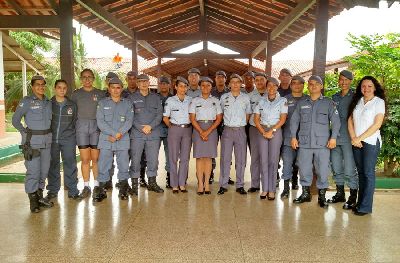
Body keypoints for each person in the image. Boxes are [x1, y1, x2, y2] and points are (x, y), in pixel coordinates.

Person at [290, 75, 340, 208]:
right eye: (311, 84)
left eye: (316, 84)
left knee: (323, 170)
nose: (313, 86)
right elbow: (294, 120)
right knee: (304, 168)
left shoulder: (328, 103)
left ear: (321, 86)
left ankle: (322, 197)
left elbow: (335, 122)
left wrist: (333, 137)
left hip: (322, 144)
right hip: (304, 143)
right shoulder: (302, 103)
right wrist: (293, 137)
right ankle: (306, 194)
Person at [12, 75, 53, 213]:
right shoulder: (27, 101)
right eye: (37, 84)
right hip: (32, 142)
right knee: (33, 171)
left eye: (43, 84)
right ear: (32, 86)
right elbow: (15, 120)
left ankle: (40, 195)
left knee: (44, 170)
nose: (41, 87)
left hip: (47, 141)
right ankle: (33, 200)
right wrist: (24, 133)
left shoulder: (48, 102)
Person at [348, 76, 386, 216]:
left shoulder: (378, 102)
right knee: (361, 173)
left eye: (369, 86)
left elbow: (377, 124)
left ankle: (365, 207)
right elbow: (350, 120)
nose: (366, 89)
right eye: (364, 86)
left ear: (374, 87)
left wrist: (359, 138)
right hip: (356, 142)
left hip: (370, 142)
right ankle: (359, 203)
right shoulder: (357, 101)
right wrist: (354, 138)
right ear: (360, 88)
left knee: (368, 173)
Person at [92, 77, 133, 202]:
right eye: (113, 87)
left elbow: (129, 121)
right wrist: (114, 133)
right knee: (104, 165)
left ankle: (123, 188)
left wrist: (118, 134)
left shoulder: (127, 103)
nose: (115, 90)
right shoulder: (102, 103)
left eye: (118, 87)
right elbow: (100, 121)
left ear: (121, 89)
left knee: (123, 165)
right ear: (109, 89)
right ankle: (101, 190)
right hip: (106, 139)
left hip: (122, 138)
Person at [71, 68, 106, 199]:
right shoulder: (76, 94)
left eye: (89, 77)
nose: (87, 79)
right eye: (84, 77)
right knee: (85, 159)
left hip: (96, 127)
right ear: (81, 79)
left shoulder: (100, 94)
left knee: (96, 159)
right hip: (81, 127)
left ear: (93, 78)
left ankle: (96, 185)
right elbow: (72, 113)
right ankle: (86, 186)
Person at [129, 74, 164, 195]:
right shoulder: (131, 98)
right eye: (141, 81)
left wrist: (150, 126)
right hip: (137, 133)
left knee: (153, 160)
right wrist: (140, 127)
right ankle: (134, 185)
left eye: (146, 81)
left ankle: (152, 183)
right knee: (135, 159)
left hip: (153, 133)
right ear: (137, 84)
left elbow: (159, 115)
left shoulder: (156, 98)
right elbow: (129, 116)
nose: (143, 83)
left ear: (149, 83)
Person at [254, 77, 288, 200]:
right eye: (269, 85)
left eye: (274, 86)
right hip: (262, 130)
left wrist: (271, 131)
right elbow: (256, 119)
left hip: (276, 130)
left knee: (273, 161)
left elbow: (283, 119)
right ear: (266, 87)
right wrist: (263, 131)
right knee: (263, 160)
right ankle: (265, 189)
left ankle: (272, 189)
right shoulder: (261, 101)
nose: (271, 88)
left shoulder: (282, 101)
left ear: (277, 87)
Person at [46, 80, 80, 201]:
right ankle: (53, 190)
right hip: (52, 139)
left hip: (68, 139)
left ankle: (73, 190)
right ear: (55, 88)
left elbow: (75, 121)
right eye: (59, 87)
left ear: (66, 90)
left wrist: (72, 136)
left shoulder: (72, 105)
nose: (62, 90)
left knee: (70, 164)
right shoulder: (49, 103)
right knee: (53, 164)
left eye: (64, 88)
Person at [328, 70, 358, 208]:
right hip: (334, 137)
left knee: (350, 168)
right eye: (341, 79)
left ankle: (352, 197)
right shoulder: (334, 97)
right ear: (338, 80)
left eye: (347, 79)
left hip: (349, 137)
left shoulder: (356, 97)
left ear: (351, 81)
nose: (343, 82)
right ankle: (340, 194)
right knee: (336, 166)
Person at [218, 74, 251, 195]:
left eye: (238, 82)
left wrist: (240, 125)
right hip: (227, 130)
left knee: (241, 159)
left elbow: (248, 115)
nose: (235, 84)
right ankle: (223, 184)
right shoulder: (224, 97)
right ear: (229, 84)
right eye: (233, 82)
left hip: (240, 130)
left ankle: (240, 185)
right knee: (225, 159)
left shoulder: (245, 98)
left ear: (241, 84)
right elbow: (220, 114)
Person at [189, 77, 223, 194]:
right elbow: (192, 118)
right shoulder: (195, 101)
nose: (205, 87)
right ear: (199, 87)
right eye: (203, 85)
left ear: (211, 87)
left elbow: (219, 119)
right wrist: (201, 131)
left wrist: (207, 131)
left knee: (208, 157)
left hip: (212, 128)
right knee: (199, 158)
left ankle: (207, 184)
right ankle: (200, 184)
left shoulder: (216, 101)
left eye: (208, 85)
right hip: (198, 128)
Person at [280, 75, 308, 198]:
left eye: (300, 83)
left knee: (302, 163)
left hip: (305, 138)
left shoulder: (308, 99)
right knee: (287, 162)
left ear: (303, 85)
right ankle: (286, 188)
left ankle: (300, 185)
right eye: (294, 83)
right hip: (287, 137)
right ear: (291, 86)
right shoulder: (285, 100)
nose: (297, 85)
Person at [163, 77, 192, 193]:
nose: (183, 88)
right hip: (174, 129)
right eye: (180, 86)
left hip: (187, 130)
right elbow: (165, 118)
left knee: (185, 158)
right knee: (173, 157)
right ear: (175, 87)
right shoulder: (170, 100)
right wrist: (172, 127)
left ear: (187, 88)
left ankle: (182, 183)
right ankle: (174, 184)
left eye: (185, 86)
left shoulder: (191, 100)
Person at [210, 70, 233, 185]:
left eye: (222, 77)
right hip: (212, 125)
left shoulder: (230, 92)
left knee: (226, 152)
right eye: (218, 77)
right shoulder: (210, 91)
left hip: (226, 125)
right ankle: (210, 174)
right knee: (211, 150)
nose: (220, 79)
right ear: (215, 79)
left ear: (225, 79)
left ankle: (226, 175)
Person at [248, 72, 268, 193]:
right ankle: (255, 184)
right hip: (254, 128)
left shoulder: (273, 94)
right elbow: (248, 113)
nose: (259, 82)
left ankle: (267, 183)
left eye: (262, 79)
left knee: (267, 156)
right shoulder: (249, 96)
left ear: (266, 80)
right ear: (254, 82)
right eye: (257, 80)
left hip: (268, 128)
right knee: (255, 156)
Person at [158, 76, 173, 188]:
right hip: (156, 130)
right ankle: (149, 178)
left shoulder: (173, 98)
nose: (163, 85)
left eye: (166, 83)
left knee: (170, 155)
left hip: (170, 129)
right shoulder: (153, 97)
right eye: (161, 83)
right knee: (152, 156)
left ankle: (169, 178)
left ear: (169, 85)